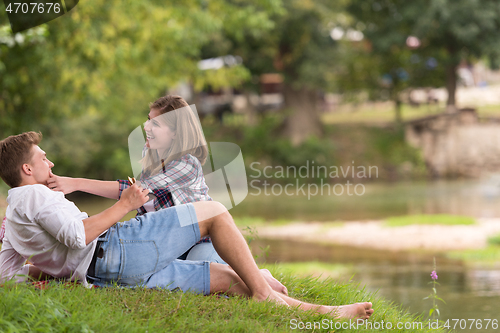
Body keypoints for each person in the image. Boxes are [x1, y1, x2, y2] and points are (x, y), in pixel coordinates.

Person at [0, 131, 374, 320]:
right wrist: (127, 205)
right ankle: (263, 289)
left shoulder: (15, 208)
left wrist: (43, 273)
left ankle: (326, 313)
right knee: (212, 210)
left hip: (107, 274)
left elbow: (7, 268)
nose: (50, 161)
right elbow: (78, 235)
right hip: (114, 251)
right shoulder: (34, 196)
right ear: (26, 169)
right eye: (42, 158)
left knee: (226, 279)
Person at [47, 95, 220, 263]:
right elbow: (143, 207)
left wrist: (76, 183)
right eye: (148, 119)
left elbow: (134, 191)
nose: (146, 127)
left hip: (199, 243)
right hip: (170, 245)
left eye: (155, 123)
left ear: (176, 133)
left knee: (203, 270)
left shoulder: (187, 164)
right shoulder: (152, 161)